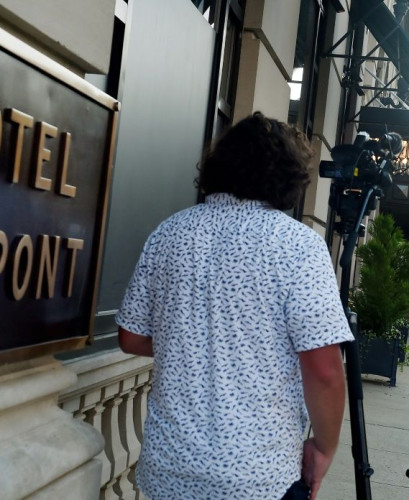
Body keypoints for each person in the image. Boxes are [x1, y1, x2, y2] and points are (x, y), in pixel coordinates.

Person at [115, 112, 354, 500]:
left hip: (169, 468)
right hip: (259, 476)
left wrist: (195, 345)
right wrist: (325, 447)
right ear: (288, 176)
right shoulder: (298, 246)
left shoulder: (169, 233)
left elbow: (130, 336)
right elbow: (325, 368)